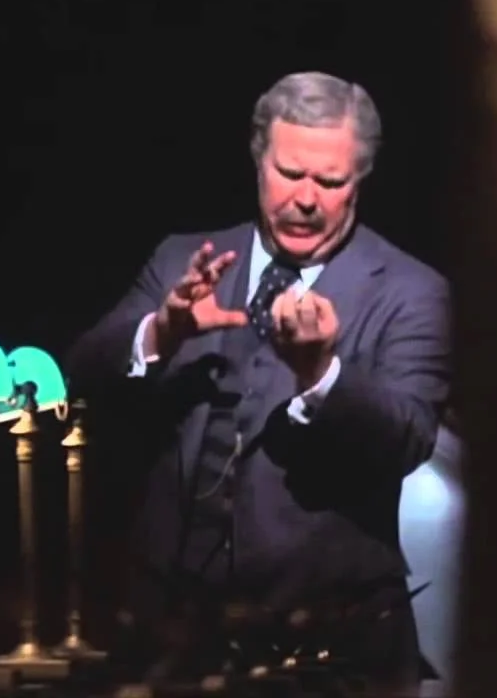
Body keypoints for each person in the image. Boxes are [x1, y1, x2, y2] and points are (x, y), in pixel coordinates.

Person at [67, 72, 450, 689]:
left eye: (330, 181)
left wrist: (320, 374)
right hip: (171, 643)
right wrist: (162, 331)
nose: (306, 198)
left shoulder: (411, 292)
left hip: (330, 652)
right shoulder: (182, 259)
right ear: (258, 161)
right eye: (289, 173)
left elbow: (409, 435)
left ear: (360, 180)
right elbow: (83, 376)